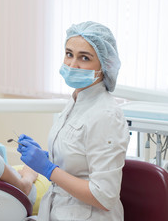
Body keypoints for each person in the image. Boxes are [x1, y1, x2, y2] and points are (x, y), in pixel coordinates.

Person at [17, 21, 130, 220]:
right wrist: (46, 158)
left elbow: (104, 196)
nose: (72, 64)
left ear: (104, 66)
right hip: (58, 210)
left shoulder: (106, 115)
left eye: (84, 58)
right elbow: (77, 161)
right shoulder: (77, 100)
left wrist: (48, 169)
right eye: (69, 54)